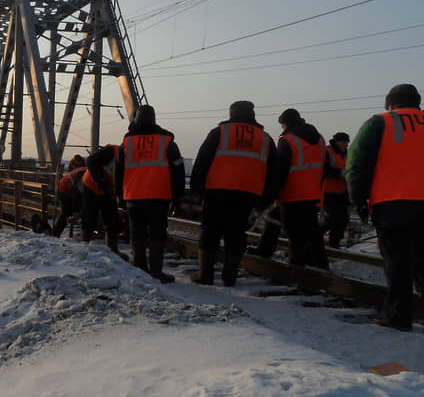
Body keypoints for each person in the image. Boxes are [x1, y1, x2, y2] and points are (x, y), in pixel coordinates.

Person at [347, 83, 424, 332]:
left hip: (393, 205)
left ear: (390, 104)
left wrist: (359, 201)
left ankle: (398, 317)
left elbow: (357, 165)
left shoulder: (380, 122)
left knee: (398, 263)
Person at [189, 101, 278, 286]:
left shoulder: (219, 133)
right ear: (252, 114)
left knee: (210, 232)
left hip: (217, 192)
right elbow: (273, 174)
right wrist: (265, 200)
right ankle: (230, 276)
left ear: (232, 114)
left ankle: (205, 274)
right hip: (247, 196)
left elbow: (202, 162)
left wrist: (196, 191)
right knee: (237, 234)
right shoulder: (266, 138)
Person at [115, 105, 186, 283]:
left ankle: (139, 270)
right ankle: (156, 271)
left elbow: (118, 172)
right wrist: (178, 197)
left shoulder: (127, 143)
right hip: (159, 196)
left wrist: (120, 196)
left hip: (133, 196)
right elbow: (178, 170)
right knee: (157, 234)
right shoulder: (167, 142)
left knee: (137, 233)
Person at [253, 108, 330, 268]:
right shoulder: (320, 139)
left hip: (292, 194)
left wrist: (270, 195)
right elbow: (325, 167)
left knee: (295, 234)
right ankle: (321, 265)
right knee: (309, 229)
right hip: (312, 193)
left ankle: (298, 269)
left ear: (285, 123)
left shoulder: (288, 140)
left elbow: (279, 172)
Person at [78, 146, 125, 257]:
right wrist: (100, 180)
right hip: (91, 186)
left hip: (109, 191)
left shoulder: (133, 160)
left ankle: (113, 251)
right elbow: (91, 160)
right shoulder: (112, 151)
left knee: (112, 219)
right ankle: (84, 248)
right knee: (89, 216)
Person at [322, 132, 350, 248]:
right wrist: (340, 173)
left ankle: (334, 246)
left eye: (347, 142)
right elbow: (324, 170)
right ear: (337, 141)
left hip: (343, 194)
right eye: (344, 142)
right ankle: (312, 239)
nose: (346, 145)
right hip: (329, 192)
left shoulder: (347, 154)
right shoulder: (327, 151)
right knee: (332, 220)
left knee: (342, 221)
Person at [53, 155, 86, 237]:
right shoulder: (84, 172)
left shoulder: (83, 170)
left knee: (68, 212)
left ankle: (56, 233)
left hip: (64, 188)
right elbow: (77, 191)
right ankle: (55, 233)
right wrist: (76, 209)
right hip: (64, 190)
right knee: (66, 213)